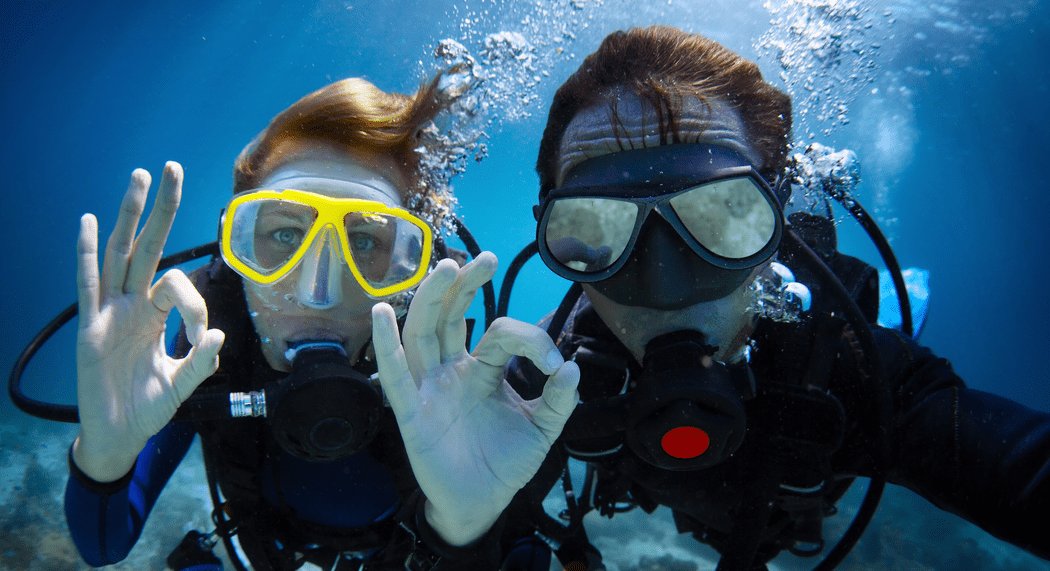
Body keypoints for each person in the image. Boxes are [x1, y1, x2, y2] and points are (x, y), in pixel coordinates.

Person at [505, 25, 1050, 571]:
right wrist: (456, 530)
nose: (665, 289)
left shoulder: (848, 366)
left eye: (720, 215)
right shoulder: (552, 369)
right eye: (596, 227)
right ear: (555, 234)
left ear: (776, 215)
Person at [65, 75, 580, 571]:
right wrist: (105, 454)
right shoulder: (203, 347)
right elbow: (104, 545)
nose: (317, 295)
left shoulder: (447, 366)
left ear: (410, 273)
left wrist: (465, 525)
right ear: (235, 246)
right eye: (286, 236)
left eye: (364, 243)